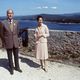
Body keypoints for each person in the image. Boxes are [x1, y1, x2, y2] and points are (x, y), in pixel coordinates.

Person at [1, 9, 22, 75]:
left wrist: (15, 38)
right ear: (7, 14)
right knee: (9, 56)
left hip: (15, 42)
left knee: (16, 55)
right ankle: (11, 68)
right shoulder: (3, 22)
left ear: (13, 14)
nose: (10, 14)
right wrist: (4, 41)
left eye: (11, 13)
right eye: (8, 13)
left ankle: (17, 67)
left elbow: (17, 32)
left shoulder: (17, 22)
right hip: (8, 42)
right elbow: (1, 34)